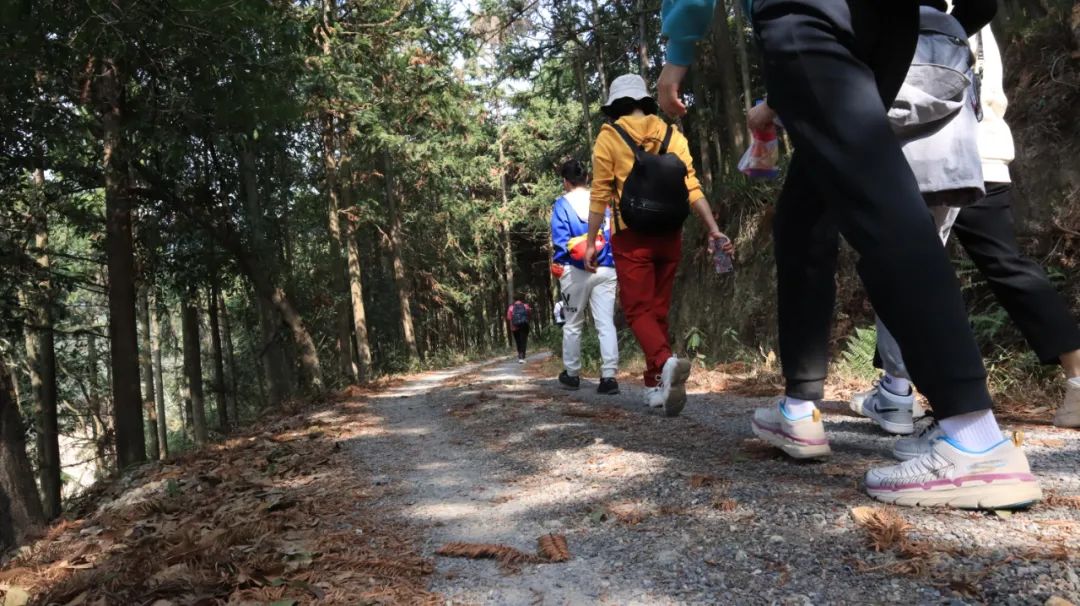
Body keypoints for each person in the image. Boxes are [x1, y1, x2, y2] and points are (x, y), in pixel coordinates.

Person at [659, 0, 1042, 508]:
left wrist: (678, 50)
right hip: (888, 25)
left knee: (877, 196)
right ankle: (798, 407)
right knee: (807, 209)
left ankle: (975, 440)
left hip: (805, 10)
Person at [851, 21, 1080, 442]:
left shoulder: (910, 11)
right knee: (1007, 264)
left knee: (902, 263)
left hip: (931, 152)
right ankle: (1078, 376)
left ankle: (898, 392)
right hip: (986, 151)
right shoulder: (976, 18)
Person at [583, 74, 734, 417]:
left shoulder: (609, 138)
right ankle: (655, 386)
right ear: (645, 101)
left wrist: (591, 243)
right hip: (670, 233)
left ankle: (664, 363)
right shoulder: (672, 135)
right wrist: (713, 229)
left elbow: (600, 196)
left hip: (632, 236)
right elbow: (692, 187)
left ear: (615, 106)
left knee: (638, 310)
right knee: (658, 310)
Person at [551, 159, 620, 395]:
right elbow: (611, 233)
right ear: (587, 178)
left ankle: (572, 375)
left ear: (566, 182)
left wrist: (559, 263)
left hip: (575, 269)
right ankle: (609, 377)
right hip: (605, 267)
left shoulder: (562, 205)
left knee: (572, 324)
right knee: (605, 323)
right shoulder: (602, 202)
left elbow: (560, 241)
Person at [506, 296, 532, 363]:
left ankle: (520, 355)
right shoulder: (526, 306)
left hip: (514, 327)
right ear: (521, 300)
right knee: (523, 341)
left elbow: (509, 318)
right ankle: (522, 357)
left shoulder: (511, 307)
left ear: (514, 300)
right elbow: (529, 315)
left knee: (518, 341)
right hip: (524, 326)